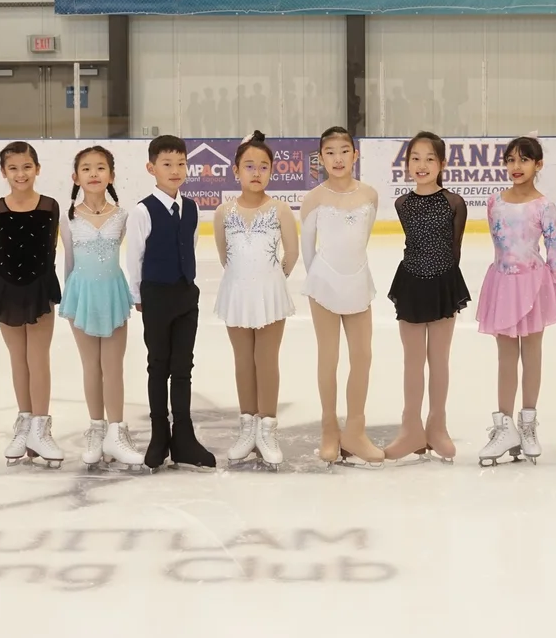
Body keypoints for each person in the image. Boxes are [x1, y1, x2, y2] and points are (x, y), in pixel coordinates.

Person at [126, 135, 216, 471]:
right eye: (167, 164)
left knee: (182, 367)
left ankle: (184, 437)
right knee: (158, 365)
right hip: (156, 295)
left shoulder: (191, 207)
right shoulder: (142, 211)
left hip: (185, 295)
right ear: (152, 168)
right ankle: (159, 434)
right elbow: (134, 256)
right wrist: (138, 296)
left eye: (181, 163)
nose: (175, 170)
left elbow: (189, 243)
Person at [475, 136, 556, 466]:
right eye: (510, 160)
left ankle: (528, 425)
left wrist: (551, 286)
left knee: (532, 354)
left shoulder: (544, 206)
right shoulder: (494, 202)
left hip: (535, 283)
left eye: (523, 160)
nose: (516, 166)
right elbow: (500, 242)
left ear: (538, 165)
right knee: (506, 357)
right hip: (503, 282)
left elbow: (554, 250)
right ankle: (504, 427)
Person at [58, 146, 146, 472]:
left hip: (112, 293)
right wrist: (69, 299)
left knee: (113, 366)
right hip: (81, 294)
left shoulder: (123, 216)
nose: (93, 173)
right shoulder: (68, 218)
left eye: (100, 168)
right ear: (75, 177)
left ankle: (116, 432)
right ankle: (97, 429)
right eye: (86, 168)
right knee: (91, 366)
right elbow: (68, 263)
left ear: (111, 175)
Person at [384, 132, 470, 463]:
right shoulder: (402, 204)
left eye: (430, 158)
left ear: (442, 164)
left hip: (443, 285)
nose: (422, 165)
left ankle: (437, 427)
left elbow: (455, 249)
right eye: (415, 158)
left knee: (439, 359)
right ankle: (410, 429)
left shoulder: (454, 203)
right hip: (410, 283)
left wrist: (443, 280)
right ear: (407, 164)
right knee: (412, 361)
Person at [300, 126, 383, 467]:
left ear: (355, 155)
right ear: (321, 158)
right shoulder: (313, 198)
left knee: (362, 356)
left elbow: (362, 239)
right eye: (330, 152)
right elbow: (308, 250)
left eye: (344, 151)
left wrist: (351, 273)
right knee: (329, 358)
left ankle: (356, 431)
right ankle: (329, 430)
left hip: (358, 281)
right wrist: (321, 281)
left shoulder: (370, 195)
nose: (337, 158)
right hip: (324, 284)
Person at [216, 132, 299, 470]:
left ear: (271, 171)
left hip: (270, 294)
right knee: (243, 361)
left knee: (266, 360)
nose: (256, 172)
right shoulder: (223, 212)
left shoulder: (280, 209)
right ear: (236, 170)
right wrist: (245, 280)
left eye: (263, 166)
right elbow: (224, 255)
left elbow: (292, 254)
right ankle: (247, 427)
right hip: (237, 292)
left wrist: (271, 280)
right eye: (249, 166)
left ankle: (267, 429)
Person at [0, 142, 65, 468]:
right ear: (3, 172)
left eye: (27, 167)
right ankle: (24, 424)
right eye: (13, 168)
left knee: (38, 358)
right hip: (7, 289)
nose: (21, 174)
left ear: (37, 169)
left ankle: (41, 429)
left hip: (39, 289)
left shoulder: (49, 206)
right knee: (18, 359)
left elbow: (49, 249)